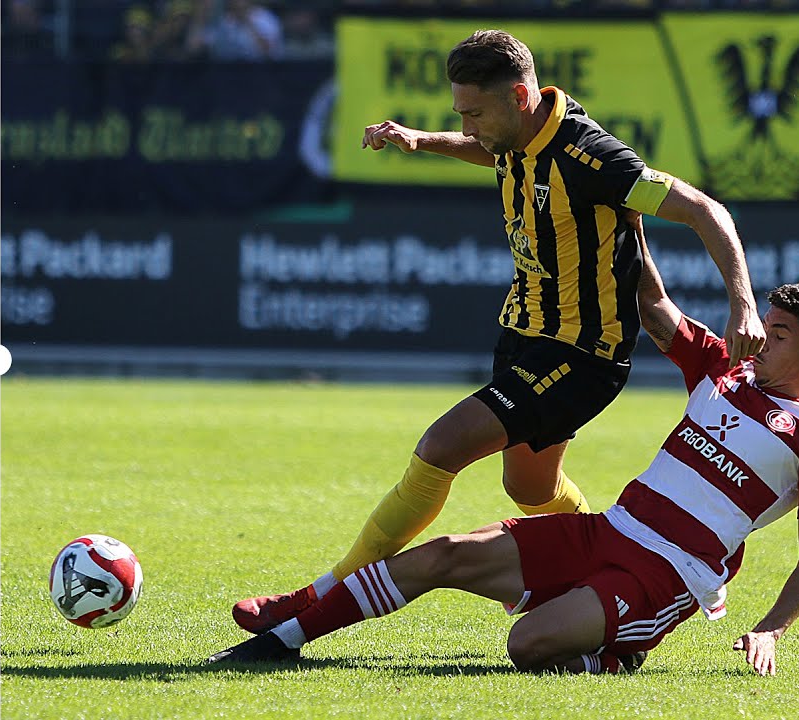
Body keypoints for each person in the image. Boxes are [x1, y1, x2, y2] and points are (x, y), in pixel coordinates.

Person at [230, 29, 765, 636]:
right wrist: (421, 140)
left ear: (519, 95)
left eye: (475, 112)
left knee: (441, 446)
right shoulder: (515, 134)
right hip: (524, 337)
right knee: (529, 486)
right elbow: (492, 151)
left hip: (579, 355)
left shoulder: (594, 157)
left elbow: (703, 209)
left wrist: (743, 305)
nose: (469, 124)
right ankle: (619, 567)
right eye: (461, 112)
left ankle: (316, 597)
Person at [211, 218, 799, 676]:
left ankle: (610, 654)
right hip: (607, 532)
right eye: (765, 326)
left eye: (777, 334)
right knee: (443, 555)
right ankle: (282, 640)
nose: (759, 338)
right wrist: (621, 214)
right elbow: (655, 306)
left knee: (527, 646)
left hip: (666, 575)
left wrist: (771, 628)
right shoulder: (726, 369)